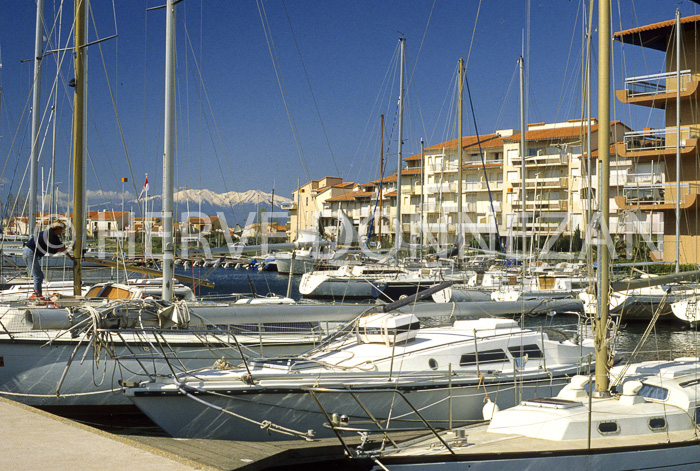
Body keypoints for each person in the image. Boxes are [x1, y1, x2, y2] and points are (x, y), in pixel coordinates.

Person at [22, 221, 75, 300]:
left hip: (29, 252)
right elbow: (51, 250)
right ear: (57, 228)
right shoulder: (50, 235)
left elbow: (61, 248)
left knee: (40, 276)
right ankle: (37, 295)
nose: (62, 232)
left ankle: (38, 294)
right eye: (62, 230)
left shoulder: (52, 235)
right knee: (38, 276)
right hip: (30, 252)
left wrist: (70, 257)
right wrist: (60, 250)